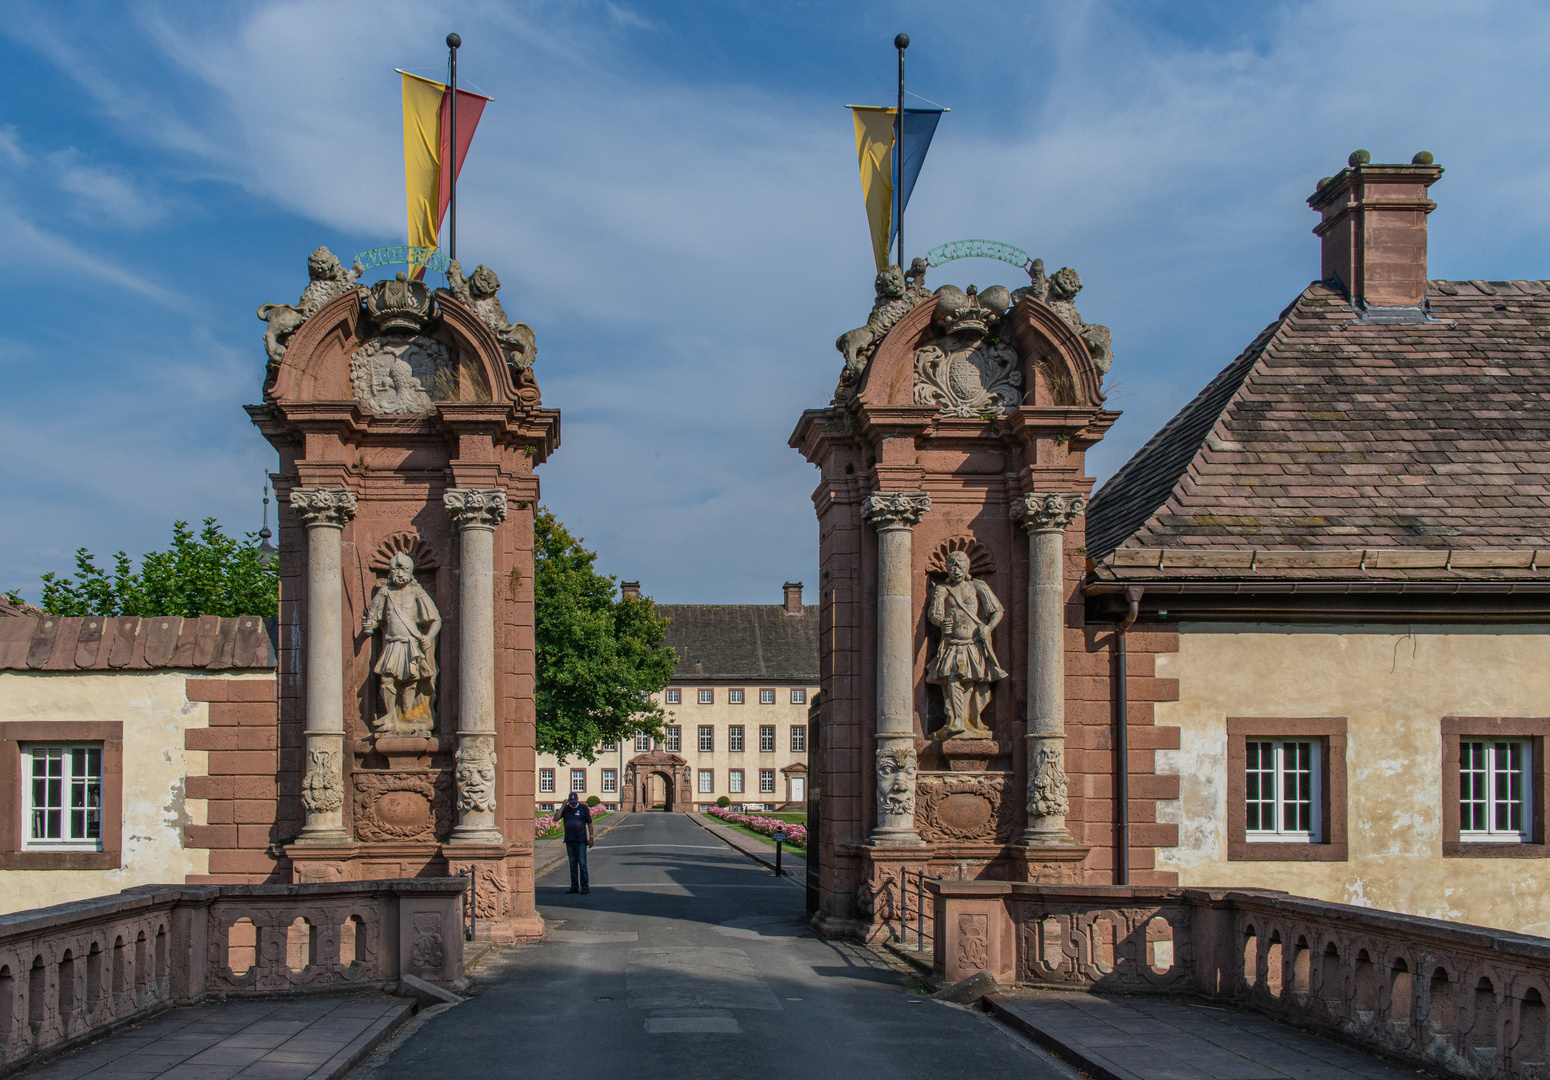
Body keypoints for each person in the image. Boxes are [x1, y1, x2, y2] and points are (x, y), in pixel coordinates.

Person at [553, 791, 594, 894]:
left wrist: (591, 837)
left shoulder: (583, 808)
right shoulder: (566, 809)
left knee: (582, 864)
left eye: (575, 802)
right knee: (572, 864)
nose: (573, 804)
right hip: (569, 840)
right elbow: (556, 818)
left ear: (577, 800)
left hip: (581, 840)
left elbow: (589, 823)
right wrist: (563, 806)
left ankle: (585, 886)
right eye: (572, 802)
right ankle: (574, 886)